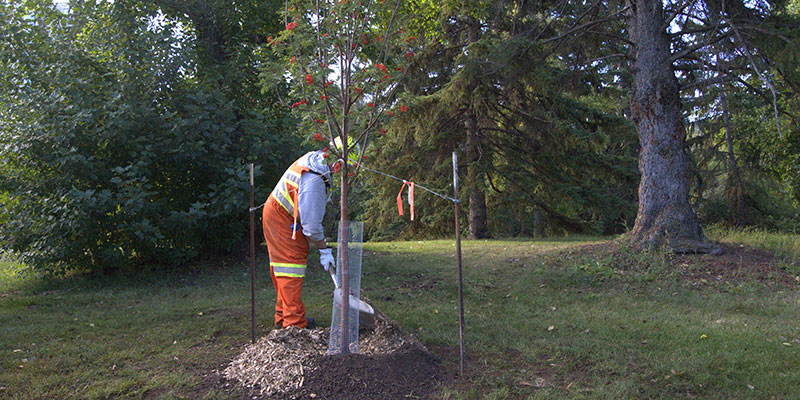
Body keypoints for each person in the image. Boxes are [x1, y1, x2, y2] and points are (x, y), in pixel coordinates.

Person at [261, 138, 360, 329]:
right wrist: (324, 250)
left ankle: (283, 317)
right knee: (290, 267)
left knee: (283, 269)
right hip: (282, 217)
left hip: (284, 214)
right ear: (338, 163)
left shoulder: (315, 161)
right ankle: (293, 326)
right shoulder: (314, 180)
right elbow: (312, 225)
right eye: (346, 169)